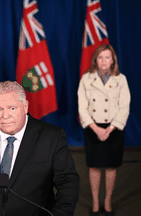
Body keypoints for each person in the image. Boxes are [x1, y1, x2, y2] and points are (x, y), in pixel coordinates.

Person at [0, 81, 79, 216]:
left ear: (25, 107)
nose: (5, 116)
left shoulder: (52, 137)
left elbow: (68, 182)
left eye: (12, 108)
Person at [78, 44, 130, 216]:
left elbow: (124, 107)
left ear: (113, 60)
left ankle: (107, 200)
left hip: (113, 128)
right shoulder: (86, 79)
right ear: (95, 60)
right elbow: (82, 107)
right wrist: (96, 128)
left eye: (107, 57)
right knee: (94, 167)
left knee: (111, 167)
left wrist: (109, 129)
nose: (104, 61)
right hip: (92, 128)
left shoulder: (120, 79)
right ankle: (95, 201)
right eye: (100, 57)